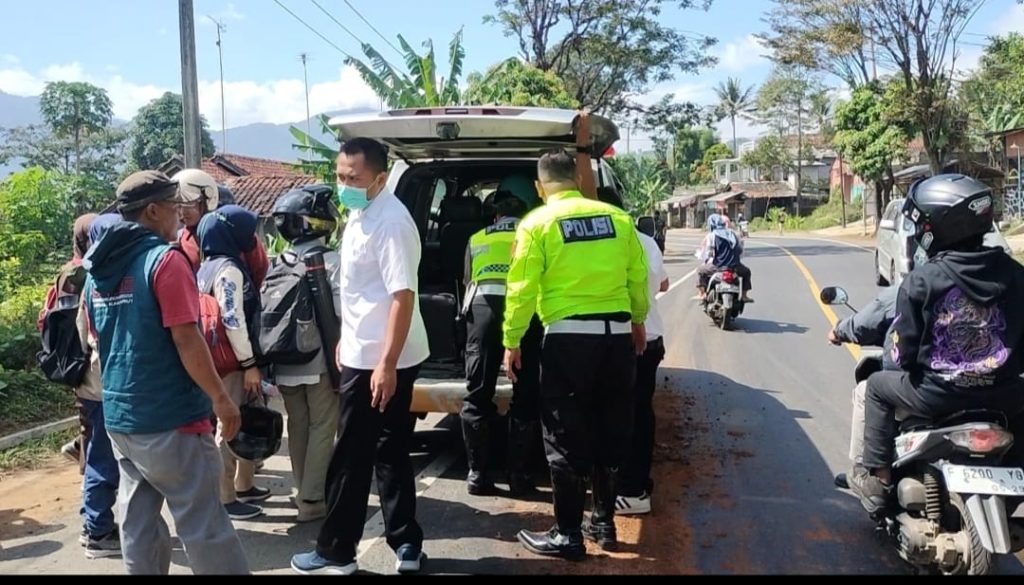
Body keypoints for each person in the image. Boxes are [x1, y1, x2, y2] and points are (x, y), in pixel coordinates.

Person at [83, 170, 248, 575]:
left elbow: (96, 336)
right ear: (153, 210)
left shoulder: (98, 268)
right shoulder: (164, 260)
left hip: (121, 416)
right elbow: (187, 340)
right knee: (202, 521)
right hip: (170, 416)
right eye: (174, 205)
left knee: (138, 521)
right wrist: (222, 400)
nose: (180, 213)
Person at [503, 138, 649, 558]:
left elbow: (521, 288)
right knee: (610, 426)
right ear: (578, 179)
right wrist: (636, 321)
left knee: (565, 433)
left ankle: (568, 533)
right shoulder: (617, 218)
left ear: (540, 185)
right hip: (617, 338)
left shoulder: (536, 223)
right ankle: (603, 522)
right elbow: (636, 277)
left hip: (567, 340)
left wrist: (512, 341)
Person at [291, 138, 430, 575]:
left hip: (380, 358)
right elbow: (360, 290)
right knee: (390, 449)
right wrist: (346, 338)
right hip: (363, 349)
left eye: (354, 177)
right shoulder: (360, 213)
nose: (344, 184)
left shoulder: (390, 222)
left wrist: (386, 363)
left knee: (351, 453)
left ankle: (336, 552)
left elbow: (401, 297)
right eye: (340, 175)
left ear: (381, 178)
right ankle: (406, 543)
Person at [851, 174, 1024, 515]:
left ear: (938, 227)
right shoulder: (1016, 274)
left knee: (875, 387)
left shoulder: (923, 279)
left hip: (936, 395)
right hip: (1004, 395)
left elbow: (901, 355)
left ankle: (880, 478)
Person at [460, 184, 544, 498]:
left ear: (496, 216)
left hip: (482, 310)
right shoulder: (531, 235)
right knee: (525, 394)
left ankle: (478, 475)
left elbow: (467, 280)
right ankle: (520, 476)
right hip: (524, 313)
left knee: (478, 392)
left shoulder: (477, 238)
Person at [269, 185, 342, 523]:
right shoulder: (331, 262)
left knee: (297, 424)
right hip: (319, 358)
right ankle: (312, 500)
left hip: (283, 359)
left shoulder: (277, 262)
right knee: (323, 425)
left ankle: (304, 491)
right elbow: (342, 311)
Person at [197, 205, 271, 521]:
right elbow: (232, 319)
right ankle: (226, 498)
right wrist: (249, 363)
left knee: (232, 422)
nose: (252, 237)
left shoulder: (205, 267)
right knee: (230, 424)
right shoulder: (228, 270)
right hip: (231, 363)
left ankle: (244, 485)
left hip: (215, 359)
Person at [616, 226, 669, 516]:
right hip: (650, 340)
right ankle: (636, 485)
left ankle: (627, 488)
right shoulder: (647, 242)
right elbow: (664, 284)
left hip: (618, 338)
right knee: (640, 411)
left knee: (617, 415)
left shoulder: (601, 239)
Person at [827, 285, 898, 490]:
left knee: (868, 389)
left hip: (928, 388)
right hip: (987, 392)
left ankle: (867, 474)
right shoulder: (994, 282)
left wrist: (838, 331)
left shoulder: (911, 287)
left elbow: (863, 324)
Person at [172, 169, 269, 287]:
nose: (182, 212)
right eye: (177, 206)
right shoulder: (181, 238)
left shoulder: (236, 231)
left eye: (187, 204)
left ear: (207, 200)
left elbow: (260, 270)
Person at [696, 213, 752, 302]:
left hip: (718, 266)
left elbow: (709, 252)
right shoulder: (734, 234)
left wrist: (707, 260)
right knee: (747, 272)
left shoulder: (712, 235)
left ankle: (702, 294)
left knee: (700, 271)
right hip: (735, 267)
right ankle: (744, 295)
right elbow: (741, 250)